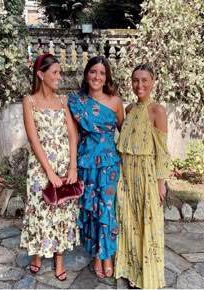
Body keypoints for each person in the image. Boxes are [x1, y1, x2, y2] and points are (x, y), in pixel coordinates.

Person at [20, 53, 80, 281]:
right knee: (39, 208)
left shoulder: (63, 101)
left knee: (62, 211)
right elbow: (34, 140)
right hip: (40, 167)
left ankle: (59, 258)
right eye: (54, 72)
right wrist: (49, 173)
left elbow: (72, 136)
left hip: (64, 166)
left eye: (59, 72)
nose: (59, 77)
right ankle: (36, 253)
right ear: (40, 74)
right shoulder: (30, 101)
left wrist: (72, 167)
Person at [114, 63, 171, 289]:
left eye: (144, 80)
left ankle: (147, 274)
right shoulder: (128, 110)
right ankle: (131, 270)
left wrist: (160, 183)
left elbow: (162, 151)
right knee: (129, 223)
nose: (140, 85)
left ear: (153, 81)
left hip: (147, 176)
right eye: (136, 80)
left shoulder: (158, 111)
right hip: (126, 176)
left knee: (147, 224)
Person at [68, 56, 124, 278]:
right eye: (93, 72)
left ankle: (107, 255)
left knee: (107, 208)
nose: (97, 77)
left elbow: (124, 133)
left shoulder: (115, 102)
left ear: (107, 77)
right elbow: (72, 136)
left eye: (102, 73)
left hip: (109, 164)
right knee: (90, 209)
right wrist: (72, 166)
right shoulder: (75, 101)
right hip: (86, 163)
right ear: (86, 74)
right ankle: (96, 254)